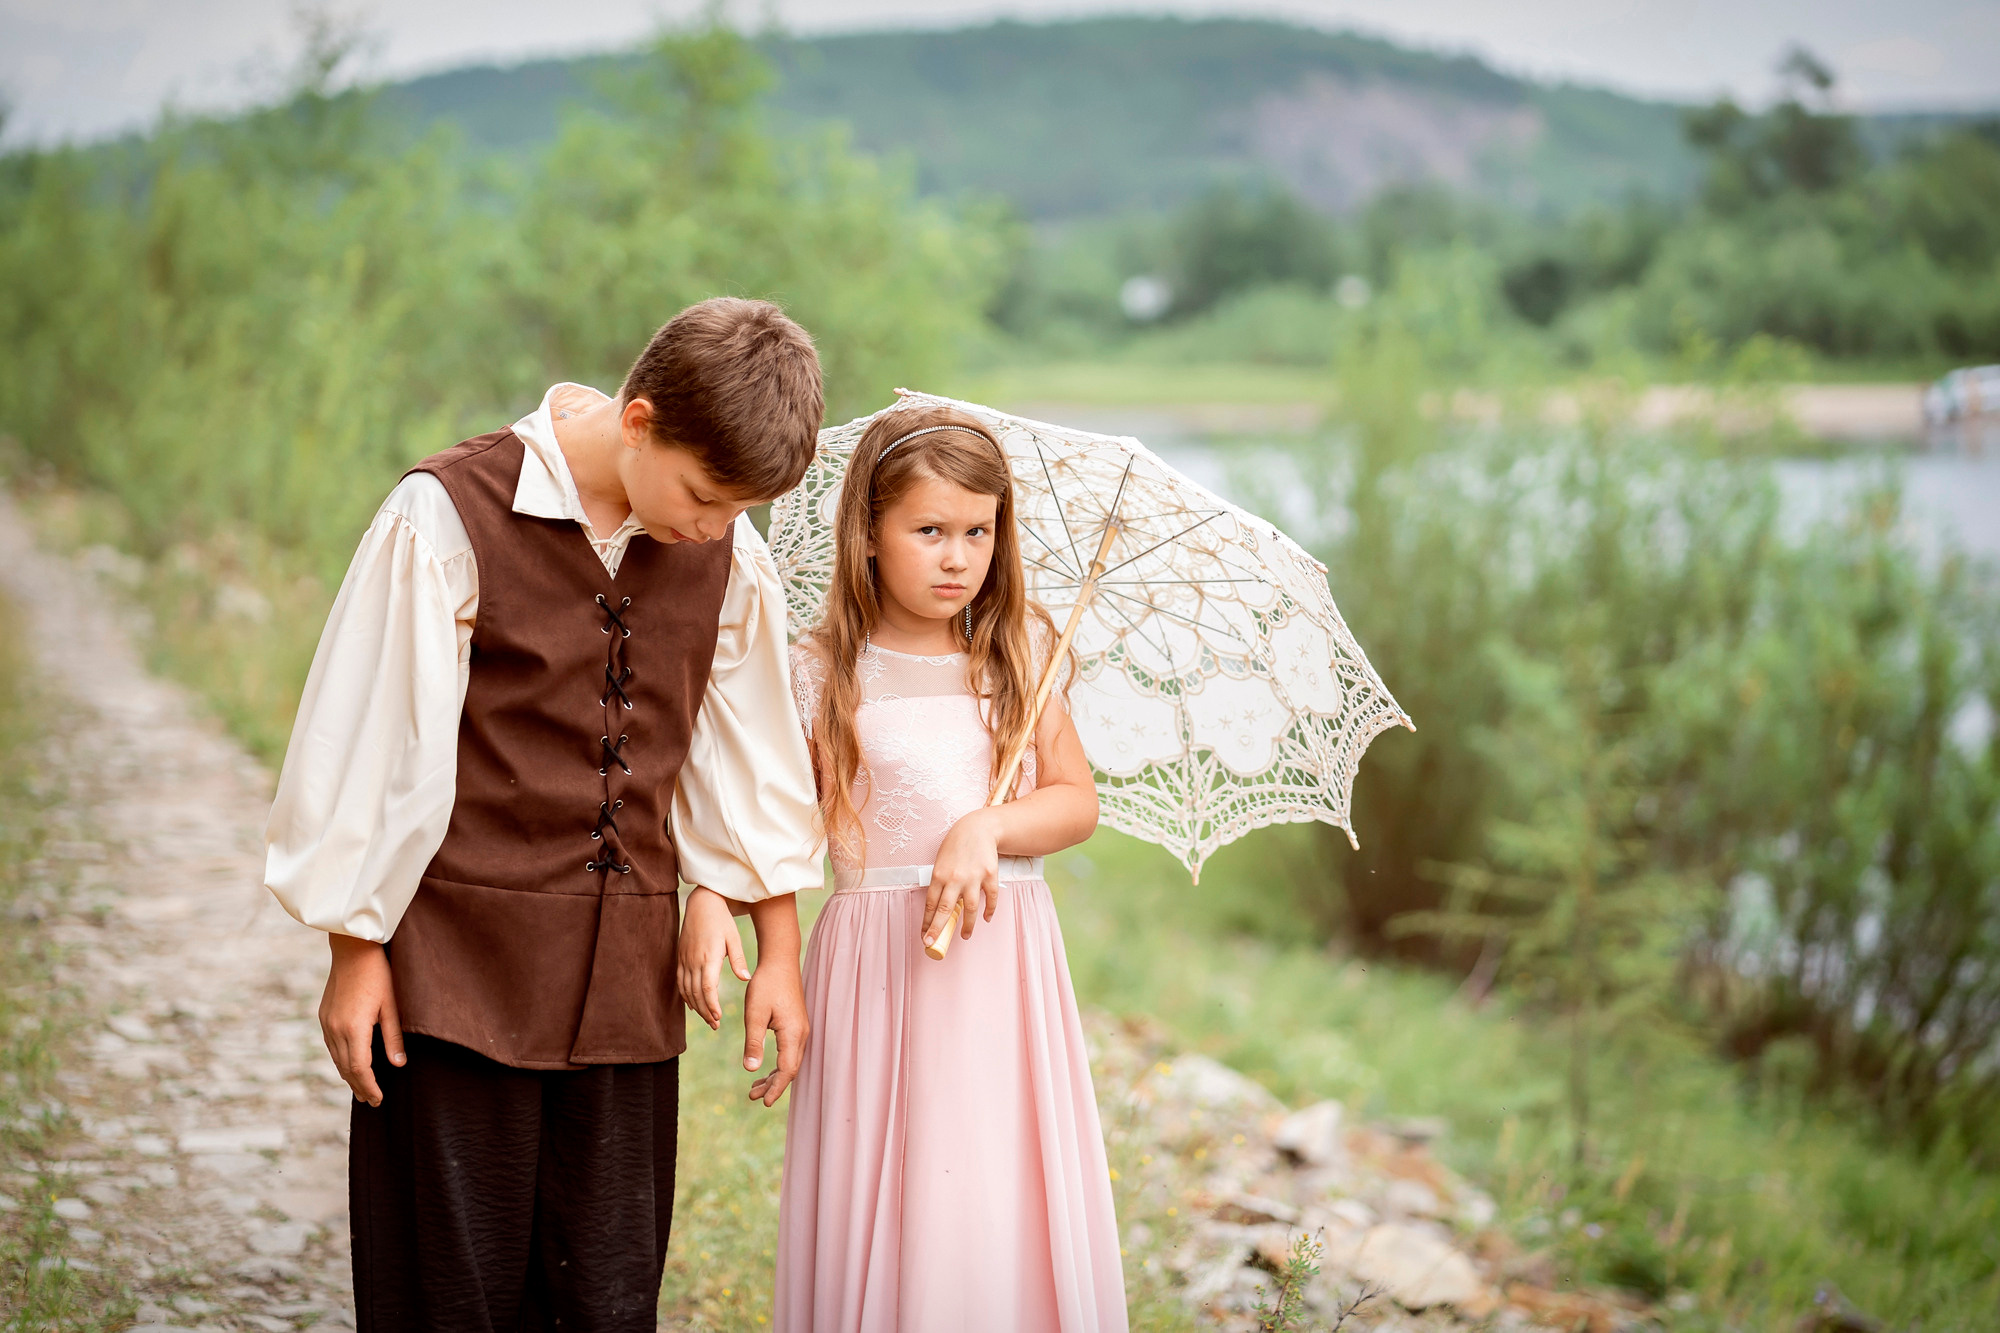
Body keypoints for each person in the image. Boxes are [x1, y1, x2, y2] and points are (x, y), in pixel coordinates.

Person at [262, 297, 826, 1331]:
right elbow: (376, 738)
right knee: (447, 1288)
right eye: (703, 496)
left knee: (604, 1291)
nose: (711, 527)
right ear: (641, 419)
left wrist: (774, 944)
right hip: (452, 975)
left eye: (737, 510)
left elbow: (746, 752)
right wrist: (354, 947)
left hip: (624, 992)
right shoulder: (447, 512)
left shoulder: (723, 552)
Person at [767, 405, 1129, 1331]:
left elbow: (1076, 802)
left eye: (978, 531)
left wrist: (988, 824)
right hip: (876, 961)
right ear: (869, 533)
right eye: (929, 531)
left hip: (1001, 961)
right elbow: (772, 824)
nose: (957, 556)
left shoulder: (1020, 658)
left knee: (989, 1177)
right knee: (888, 1176)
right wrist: (722, 907)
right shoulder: (822, 670)